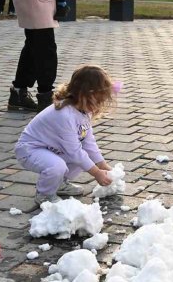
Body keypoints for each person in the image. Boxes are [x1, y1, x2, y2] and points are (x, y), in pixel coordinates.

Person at [14, 65, 117, 204]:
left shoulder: (84, 110)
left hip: (52, 148)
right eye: (97, 101)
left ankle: (59, 183)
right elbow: (74, 151)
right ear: (84, 94)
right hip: (30, 150)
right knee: (58, 166)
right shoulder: (65, 115)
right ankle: (44, 194)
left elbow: (88, 142)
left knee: (84, 159)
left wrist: (102, 165)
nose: (98, 106)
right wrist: (96, 173)